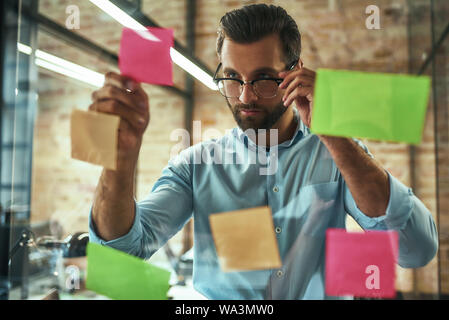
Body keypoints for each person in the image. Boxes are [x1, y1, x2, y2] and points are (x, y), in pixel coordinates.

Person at [88, 4, 438, 299]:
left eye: (263, 78)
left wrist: (333, 131)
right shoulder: (196, 166)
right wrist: (118, 162)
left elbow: (415, 250)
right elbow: (121, 255)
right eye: (232, 78)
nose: (245, 97)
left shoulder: (337, 154)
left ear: (296, 73)